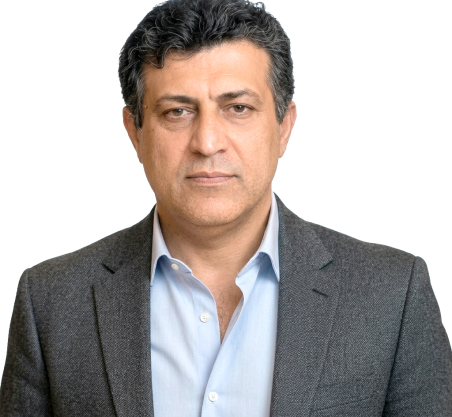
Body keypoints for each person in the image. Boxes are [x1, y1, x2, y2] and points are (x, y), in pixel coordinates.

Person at [1, 0, 451, 415]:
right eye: (177, 112)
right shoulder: (51, 302)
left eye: (238, 107)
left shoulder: (392, 295)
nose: (207, 142)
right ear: (135, 132)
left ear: (284, 126)